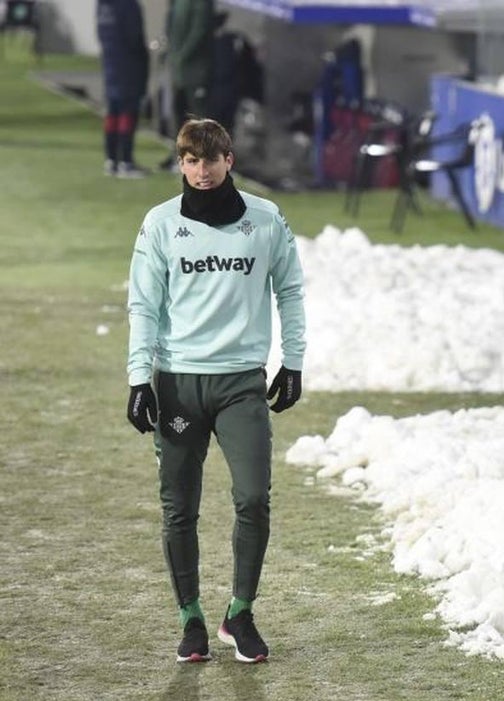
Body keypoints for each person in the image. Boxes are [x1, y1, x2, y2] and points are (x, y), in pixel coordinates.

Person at [126, 117, 306, 664]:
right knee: (179, 507)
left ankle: (240, 614)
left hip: (241, 384)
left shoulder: (265, 218)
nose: (201, 171)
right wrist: (139, 378)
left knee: (253, 498)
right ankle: (191, 619)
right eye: (190, 161)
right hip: (179, 383)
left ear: (229, 160)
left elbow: (290, 289)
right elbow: (143, 304)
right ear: (181, 164)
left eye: (210, 160)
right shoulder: (159, 224)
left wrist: (293, 362)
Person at [159, 0, 216, 169]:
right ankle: (179, 157)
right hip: (179, 72)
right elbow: (171, 26)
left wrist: (181, 56)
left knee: (198, 118)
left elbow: (199, 30)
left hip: (196, 71)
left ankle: (201, 160)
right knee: (179, 115)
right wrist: (171, 54)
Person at [96, 0, 149, 178]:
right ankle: (126, 162)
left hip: (110, 64)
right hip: (128, 66)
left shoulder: (103, 5)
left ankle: (111, 159)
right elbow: (135, 38)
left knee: (113, 112)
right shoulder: (128, 5)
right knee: (128, 113)